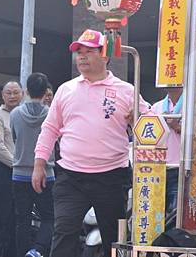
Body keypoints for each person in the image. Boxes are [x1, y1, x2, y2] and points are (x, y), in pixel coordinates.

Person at [32, 29, 150, 257]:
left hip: (112, 177)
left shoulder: (126, 91)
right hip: (71, 176)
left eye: (89, 51)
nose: (82, 57)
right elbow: (50, 129)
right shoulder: (66, 90)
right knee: (63, 231)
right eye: (79, 52)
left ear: (105, 56)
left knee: (114, 240)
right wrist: (39, 164)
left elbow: (152, 127)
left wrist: (138, 118)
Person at [11, 72, 54, 257]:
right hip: (46, 172)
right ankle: (38, 250)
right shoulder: (51, 115)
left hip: (19, 173)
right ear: (46, 92)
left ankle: (23, 253)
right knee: (49, 217)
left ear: (26, 91)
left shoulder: (15, 114)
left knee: (23, 218)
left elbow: (14, 138)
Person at [0, 80, 23, 257]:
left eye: (16, 92)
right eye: (9, 93)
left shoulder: (24, 115)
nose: (13, 96)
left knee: (18, 219)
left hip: (23, 174)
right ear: (2, 95)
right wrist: (19, 165)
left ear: (22, 94)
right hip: (4, 170)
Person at [151, 86, 183, 214]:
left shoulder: (194, 105)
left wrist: (177, 127)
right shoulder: (156, 108)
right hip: (158, 169)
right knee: (156, 213)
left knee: (175, 215)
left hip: (181, 169)